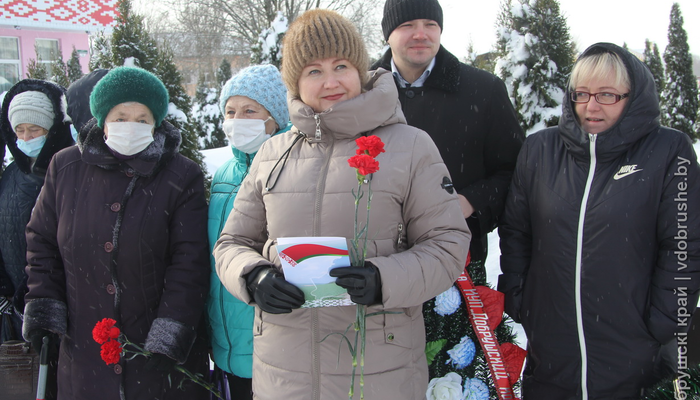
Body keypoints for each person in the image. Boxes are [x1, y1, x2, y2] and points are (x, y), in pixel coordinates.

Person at [213, 9, 470, 400]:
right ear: (296, 82)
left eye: (341, 65)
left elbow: (448, 244)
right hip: (285, 375)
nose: (330, 81)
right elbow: (230, 243)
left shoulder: (411, 146)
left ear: (361, 70)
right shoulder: (272, 155)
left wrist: (386, 278)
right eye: (313, 71)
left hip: (380, 373)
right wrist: (252, 277)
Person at [498, 42, 700, 399]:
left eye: (607, 94)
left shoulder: (669, 151)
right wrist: (518, 295)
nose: (591, 106)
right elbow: (517, 230)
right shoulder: (540, 150)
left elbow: (685, 242)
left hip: (634, 354)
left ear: (632, 97)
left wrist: (666, 319)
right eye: (582, 94)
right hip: (551, 351)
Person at [22, 67, 211, 400]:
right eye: (121, 116)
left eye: (142, 118)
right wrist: (45, 310)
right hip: (83, 352)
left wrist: (169, 334)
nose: (131, 126)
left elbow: (190, 262)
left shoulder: (182, 176)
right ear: (102, 119)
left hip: (156, 359)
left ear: (156, 123)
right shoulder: (65, 168)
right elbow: (42, 243)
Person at [371, 0, 524, 271]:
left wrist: (471, 201)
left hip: (457, 260)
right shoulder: (362, 91)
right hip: (377, 262)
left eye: (430, 24)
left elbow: (515, 172)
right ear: (388, 34)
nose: (421, 34)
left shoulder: (484, 90)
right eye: (407, 25)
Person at [207, 64, 291, 400]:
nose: (237, 119)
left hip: (270, 334)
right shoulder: (223, 173)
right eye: (230, 111)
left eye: (249, 110)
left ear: (275, 116)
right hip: (224, 333)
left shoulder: (290, 165)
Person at [0, 79, 74, 345]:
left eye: (34, 129)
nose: (26, 138)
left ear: (52, 128)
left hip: (57, 300)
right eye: (19, 130)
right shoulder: (9, 176)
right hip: (13, 307)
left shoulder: (70, 171)